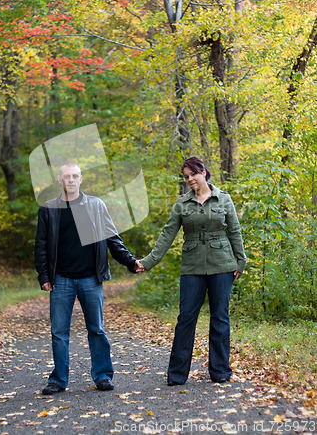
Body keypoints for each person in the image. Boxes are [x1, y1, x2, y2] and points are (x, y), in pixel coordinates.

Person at [35, 160, 143, 395]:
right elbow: (41, 246)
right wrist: (44, 275)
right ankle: (58, 380)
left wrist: (130, 261)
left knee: (96, 329)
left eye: (75, 176)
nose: (71, 180)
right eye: (66, 176)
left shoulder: (95, 205)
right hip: (61, 279)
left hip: (91, 279)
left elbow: (113, 239)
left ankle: (103, 376)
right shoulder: (49, 210)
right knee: (59, 332)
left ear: (81, 179)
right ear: (59, 180)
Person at [138, 156, 246, 385]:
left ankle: (220, 372)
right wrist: (148, 261)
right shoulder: (181, 204)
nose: (189, 179)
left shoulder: (224, 199)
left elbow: (235, 232)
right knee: (186, 318)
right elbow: (167, 235)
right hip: (192, 266)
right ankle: (177, 375)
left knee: (220, 318)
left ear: (203, 172)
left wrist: (240, 262)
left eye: (192, 174)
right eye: (186, 176)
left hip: (223, 264)